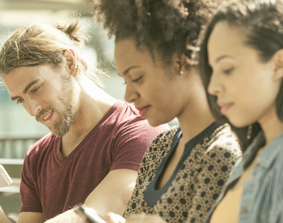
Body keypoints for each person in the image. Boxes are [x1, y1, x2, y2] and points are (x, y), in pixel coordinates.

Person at [0, 21, 169, 223]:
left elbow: (90, 216)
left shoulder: (141, 132)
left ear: (69, 62)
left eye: (35, 89)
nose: (32, 109)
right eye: (20, 100)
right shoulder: (37, 156)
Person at [93, 0, 242, 222]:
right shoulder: (159, 146)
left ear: (180, 61)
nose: (129, 96)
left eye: (137, 78)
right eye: (125, 82)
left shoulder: (221, 153)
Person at [198, 0, 283, 222]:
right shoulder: (254, 154)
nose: (212, 87)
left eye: (227, 69)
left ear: (279, 64)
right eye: (212, 70)